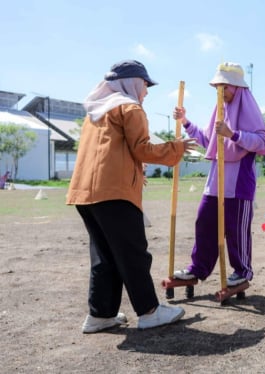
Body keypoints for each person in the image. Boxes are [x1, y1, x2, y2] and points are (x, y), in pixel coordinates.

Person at [66, 60, 198, 332]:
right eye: (145, 84)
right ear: (132, 83)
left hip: (85, 193)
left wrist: (133, 171)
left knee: (105, 254)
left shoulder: (96, 111)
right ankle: (149, 312)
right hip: (114, 193)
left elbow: (109, 153)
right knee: (132, 253)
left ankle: (100, 315)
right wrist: (177, 147)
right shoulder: (130, 107)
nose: (147, 91)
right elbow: (142, 149)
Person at [172, 62, 265, 286]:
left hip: (238, 186)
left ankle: (242, 271)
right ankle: (198, 269)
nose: (219, 92)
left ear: (236, 88)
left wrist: (233, 134)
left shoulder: (250, 111)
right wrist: (185, 122)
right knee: (204, 223)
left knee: (237, 232)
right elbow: (208, 141)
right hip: (214, 184)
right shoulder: (219, 110)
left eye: (223, 87)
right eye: (216, 87)